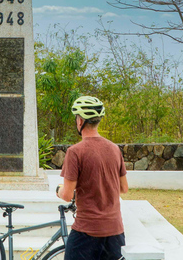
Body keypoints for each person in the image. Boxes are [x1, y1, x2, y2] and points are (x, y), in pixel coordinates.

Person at [56, 96, 128, 260]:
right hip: (115, 231)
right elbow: (123, 188)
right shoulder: (114, 149)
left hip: (87, 232)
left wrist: (58, 190)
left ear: (80, 121)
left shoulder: (75, 152)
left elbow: (66, 195)